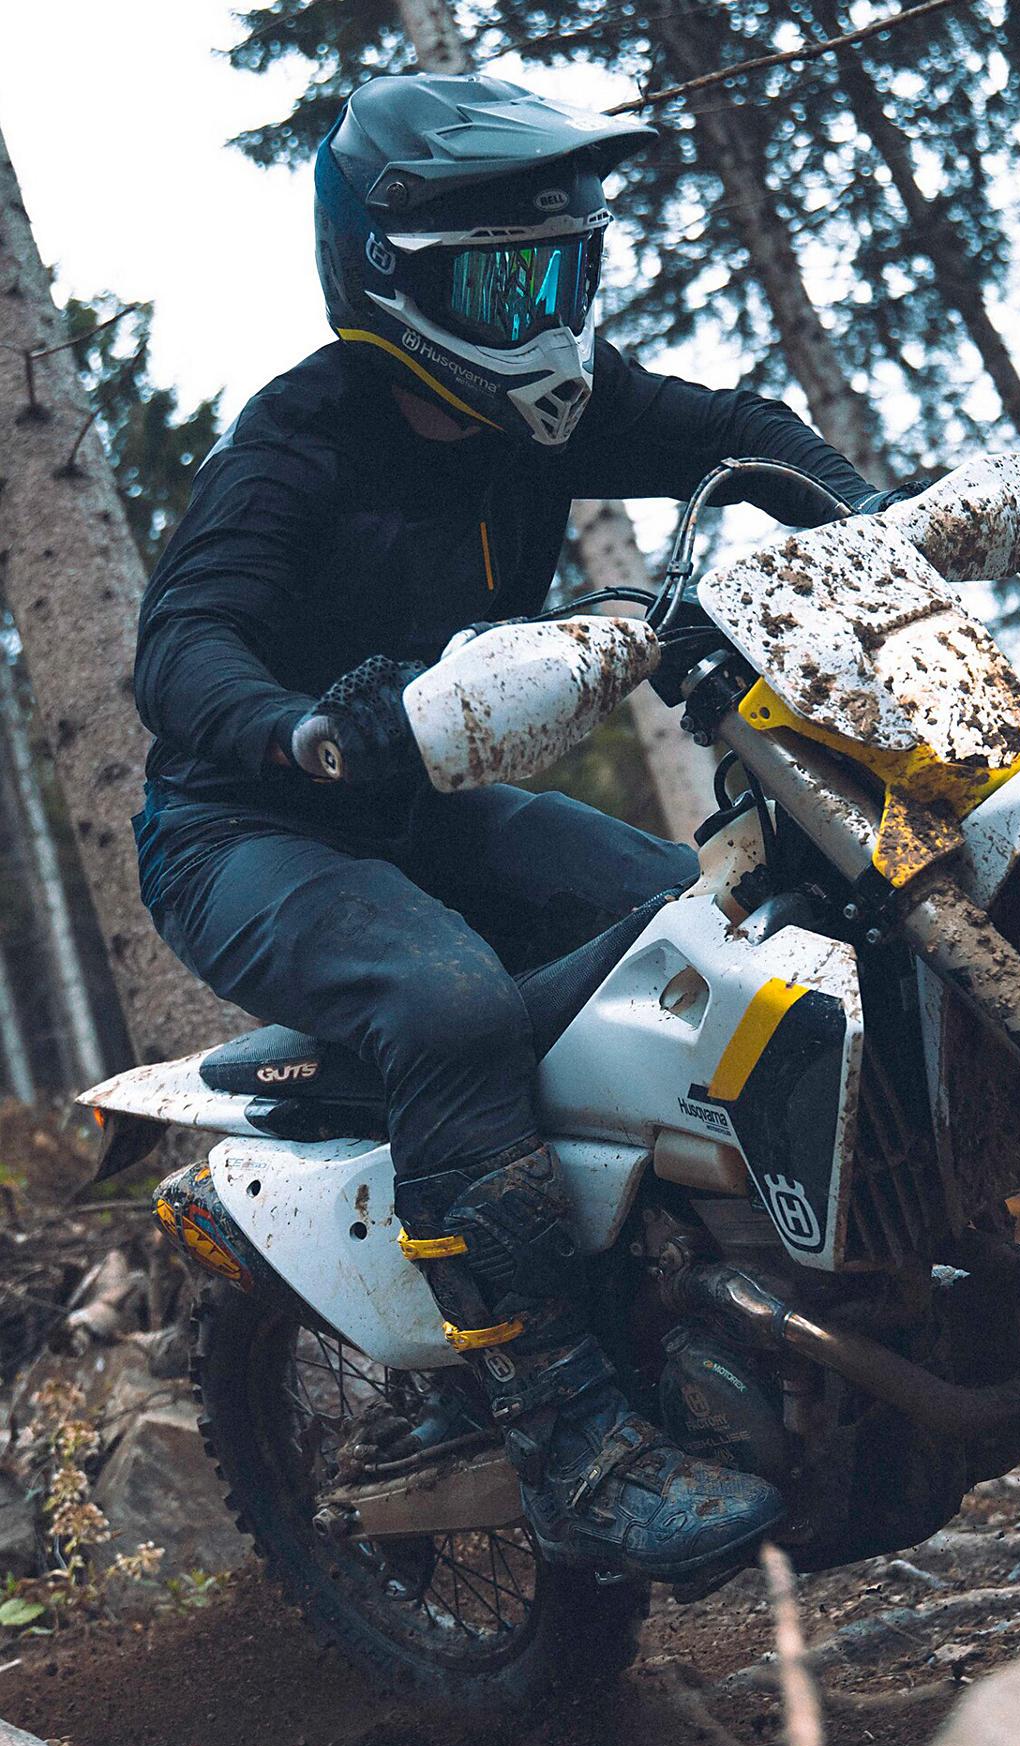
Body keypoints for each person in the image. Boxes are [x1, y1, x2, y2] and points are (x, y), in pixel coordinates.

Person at [132, 71, 906, 1582]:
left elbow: (739, 435)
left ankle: (712, 1307)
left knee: (712, 918)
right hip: (243, 831)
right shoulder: (298, 440)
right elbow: (181, 648)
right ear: (390, 280)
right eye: (505, 281)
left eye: (565, 270)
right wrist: (301, 729)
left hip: (423, 808)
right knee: (451, 1005)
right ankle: (570, 1438)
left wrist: (870, 518)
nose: (546, 313)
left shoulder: (554, 414)